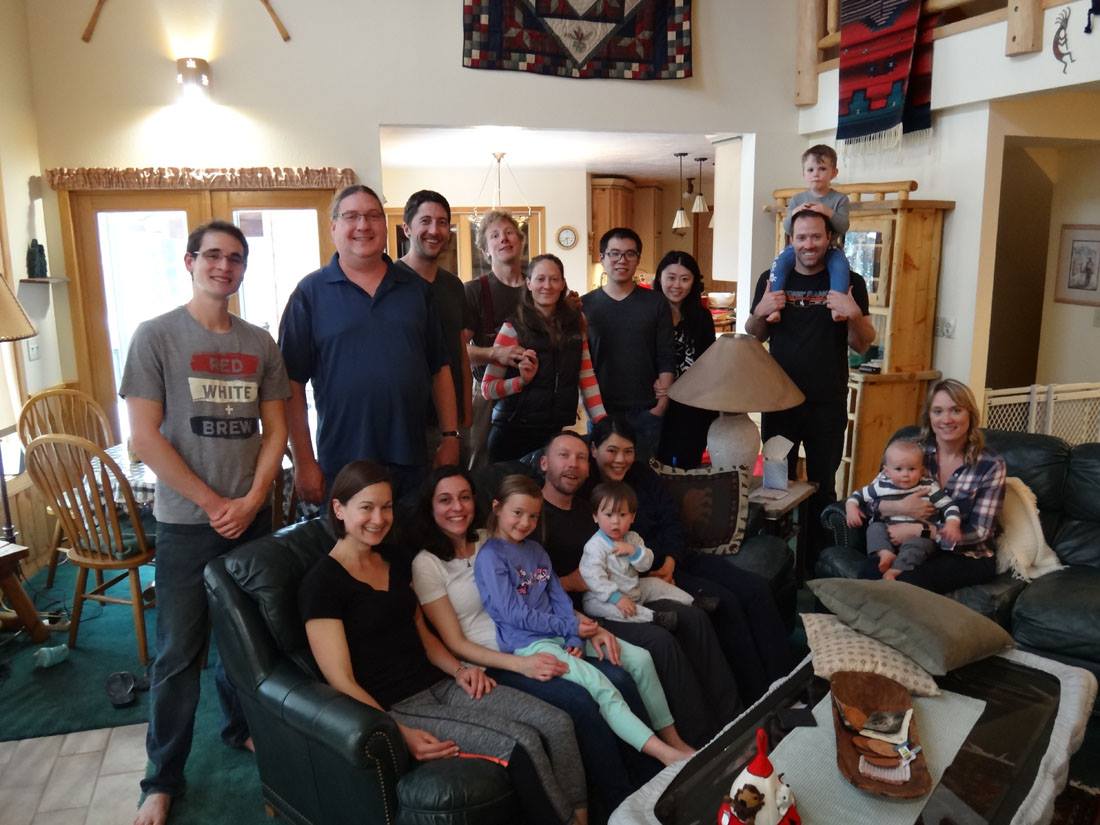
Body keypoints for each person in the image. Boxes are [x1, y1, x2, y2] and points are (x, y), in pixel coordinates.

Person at [300, 461, 587, 825]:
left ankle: (583, 815)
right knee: (521, 743)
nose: (379, 518)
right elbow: (340, 680)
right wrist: (394, 730)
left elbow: (423, 634)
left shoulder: (394, 559)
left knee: (557, 722)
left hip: (443, 683)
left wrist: (460, 670)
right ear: (339, 509)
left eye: (386, 507)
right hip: (398, 704)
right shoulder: (320, 585)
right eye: (366, 508)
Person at [121, 220, 290, 825]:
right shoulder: (156, 336)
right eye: (213, 255)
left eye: (235, 258)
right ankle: (161, 778)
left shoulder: (260, 343)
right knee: (177, 654)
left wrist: (252, 498)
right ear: (190, 261)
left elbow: (277, 430)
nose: (224, 266)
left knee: (247, 642)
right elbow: (145, 437)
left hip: (251, 520)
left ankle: (240, 728)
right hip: (187, 525)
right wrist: (213, 503)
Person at [410, 466, 659, 815]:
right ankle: (619, 803)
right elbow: (455, 643)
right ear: (430, 506)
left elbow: (540, 590)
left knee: (620, 673)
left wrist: (586, 625)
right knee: (581, 702)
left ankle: (653, 780)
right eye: (445, 500)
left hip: (542, 635)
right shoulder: (427, 564)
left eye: (464, 497)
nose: (457, 508)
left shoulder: (492, 536)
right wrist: (520, 664)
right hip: (497, 659)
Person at [474, 474, 696, 767]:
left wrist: (574, 636)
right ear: (497, 507)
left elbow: (557, 597)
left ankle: (673, 739)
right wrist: (570, 628)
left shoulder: (536, 551)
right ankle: (667, 756)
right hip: (529, 643)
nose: (525, 522)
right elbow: (513, 614)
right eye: (517, 513)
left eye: (533, 516)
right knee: (601, 684)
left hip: (563, 631)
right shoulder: (491, 557)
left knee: (641, 659)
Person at [538, 430, 740, 746]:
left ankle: (733, 716)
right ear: (543, 463)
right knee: (660, 641)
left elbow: (628, 539)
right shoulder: (533, 517)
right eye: (563, 455)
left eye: (580, 457)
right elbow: (530, 582)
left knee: (694, 618)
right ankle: (703, 739)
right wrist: (566, 583)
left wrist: (644, 560)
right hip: (587, 609)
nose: (573, 464)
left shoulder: (589, 508)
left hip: (624, 590)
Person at [587, 417, 793, 703]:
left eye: (628, 451)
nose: (620, 460)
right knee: (726, 603)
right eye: (612, 451)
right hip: (644, 576)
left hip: (677, 559)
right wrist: (655, 570)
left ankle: (787, 685)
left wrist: (672, 559)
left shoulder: (643, 475)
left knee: (756, 588)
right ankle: (758, 698)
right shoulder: (591, 492)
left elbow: (672, 520)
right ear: (594, 449)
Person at [278, 184, 459, 504]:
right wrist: (304, 461)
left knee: (410, 537)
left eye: (373, 216)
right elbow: (290, 385)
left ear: (385, 226)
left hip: (412, 461)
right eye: (352, 216)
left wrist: (450, 436)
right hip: (343, 463)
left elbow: (439, 369)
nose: (363, 225)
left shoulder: (416, 291)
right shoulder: (309, 294)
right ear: (334, 227)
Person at [747, 208, 876, 565]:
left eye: (816, 236)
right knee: (776, 485)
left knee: (823, 486)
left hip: (827, 404)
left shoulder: (851, 281)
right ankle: (777, 562)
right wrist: (760, 310)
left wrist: (853, 313)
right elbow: (755, 335)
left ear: (829, 239)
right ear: (791, 240)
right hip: (779, 403)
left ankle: (816, 563)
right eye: (801, 237)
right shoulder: (771, 278)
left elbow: (862, 344)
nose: (808, 244)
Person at [862, 379, 1005, 593]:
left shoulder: (990, 464)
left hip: (965, 554)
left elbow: (980, 532)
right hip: (909, 546)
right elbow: (868, 501)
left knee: (907, 582)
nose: (946, 419)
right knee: (868, 574)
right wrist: (899, 508)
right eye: (938, 411)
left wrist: (921, 531)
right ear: (929, 416)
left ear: (970, 414)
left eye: (956, 410)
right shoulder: (913, 453)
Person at [482, 253, 607, 462]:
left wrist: (603, 424)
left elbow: (586, 376)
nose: (547, 286)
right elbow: (488, 388)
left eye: (554, 279)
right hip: (511, 434)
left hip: (553, 434)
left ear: (562, 284)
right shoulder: (512, 328)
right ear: (529, 283)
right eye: (540, 279)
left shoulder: (576, 324)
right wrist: (521, 382)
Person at [582, 228, 675, 463]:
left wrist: (661, 406)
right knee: (601, 475)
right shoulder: (585, 305)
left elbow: (666, 354)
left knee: (643, 475)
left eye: (629, 254)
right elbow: (581, 362)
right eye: (614, 253)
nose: (622, 260)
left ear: (637, 259)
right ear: (602, 258)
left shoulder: (655, 302)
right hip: (601, 410)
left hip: (646, 409)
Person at [396, 190, 474, 460]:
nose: (434, 230)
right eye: (425, 221)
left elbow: (460, 351)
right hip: (407, 423)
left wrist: (466, 414)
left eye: (442, 223)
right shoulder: (391, 283)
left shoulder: (453, 286)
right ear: (407, 228)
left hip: (452, 425)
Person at [580, 481, 693, 629]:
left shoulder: (633, 538)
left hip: (633, 590)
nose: (615, 521)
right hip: (603, 598)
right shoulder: (595, 546)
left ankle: (691, 601)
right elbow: (593, 578)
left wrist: (634, 551)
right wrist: (616, 598)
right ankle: (655, 617)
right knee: (611, 609)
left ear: (632, 517)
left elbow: (646, 565)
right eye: (608, 515)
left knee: (655, 584)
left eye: (622, 515)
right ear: (595, 516)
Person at [465, 210, 530, 467]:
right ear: (485, 250)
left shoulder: (539, 286)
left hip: (533, 393)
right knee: (481, 462)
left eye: (509, 232)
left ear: (521, 241)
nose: (503, 238)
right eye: (494, 235)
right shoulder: (474, 291)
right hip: (487, 396)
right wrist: (494, 353)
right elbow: (457, 350)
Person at [846, 437, 962, 580]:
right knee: (874, 528)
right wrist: (851, 507)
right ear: (887, 471)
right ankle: (884, 553)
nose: (905, 474)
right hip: (888, 532)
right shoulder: (882, 485)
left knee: (921, 545)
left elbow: (949, 505)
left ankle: (897, 569)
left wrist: (952, 523)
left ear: (922, 470)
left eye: (912, 469)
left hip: (919, 535)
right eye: (898, 469)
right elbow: (858, 496)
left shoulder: (929, 487)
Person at [767, 144, 851, 323]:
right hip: (797, 250)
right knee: (779, 264)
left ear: (834, 173)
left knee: (841, 266)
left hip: (831, 248)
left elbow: (843, 226)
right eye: (811, 169)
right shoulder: (797, 199)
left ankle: (837, 307)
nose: (816, 174)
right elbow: (788, 228)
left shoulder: (840, 199)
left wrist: (827, 211)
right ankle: (774, 308)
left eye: (822, 169)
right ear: (804, 174)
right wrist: (795, 212)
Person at [652, 251, 718, 469]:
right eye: (671, 278)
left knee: (687, 465)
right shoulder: (648, 312)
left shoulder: (701, 316)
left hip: (692, 405)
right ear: (660, 278)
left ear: (693, 282)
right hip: (655, 399)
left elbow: (708, 362)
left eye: (684, 279)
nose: (676, 285)